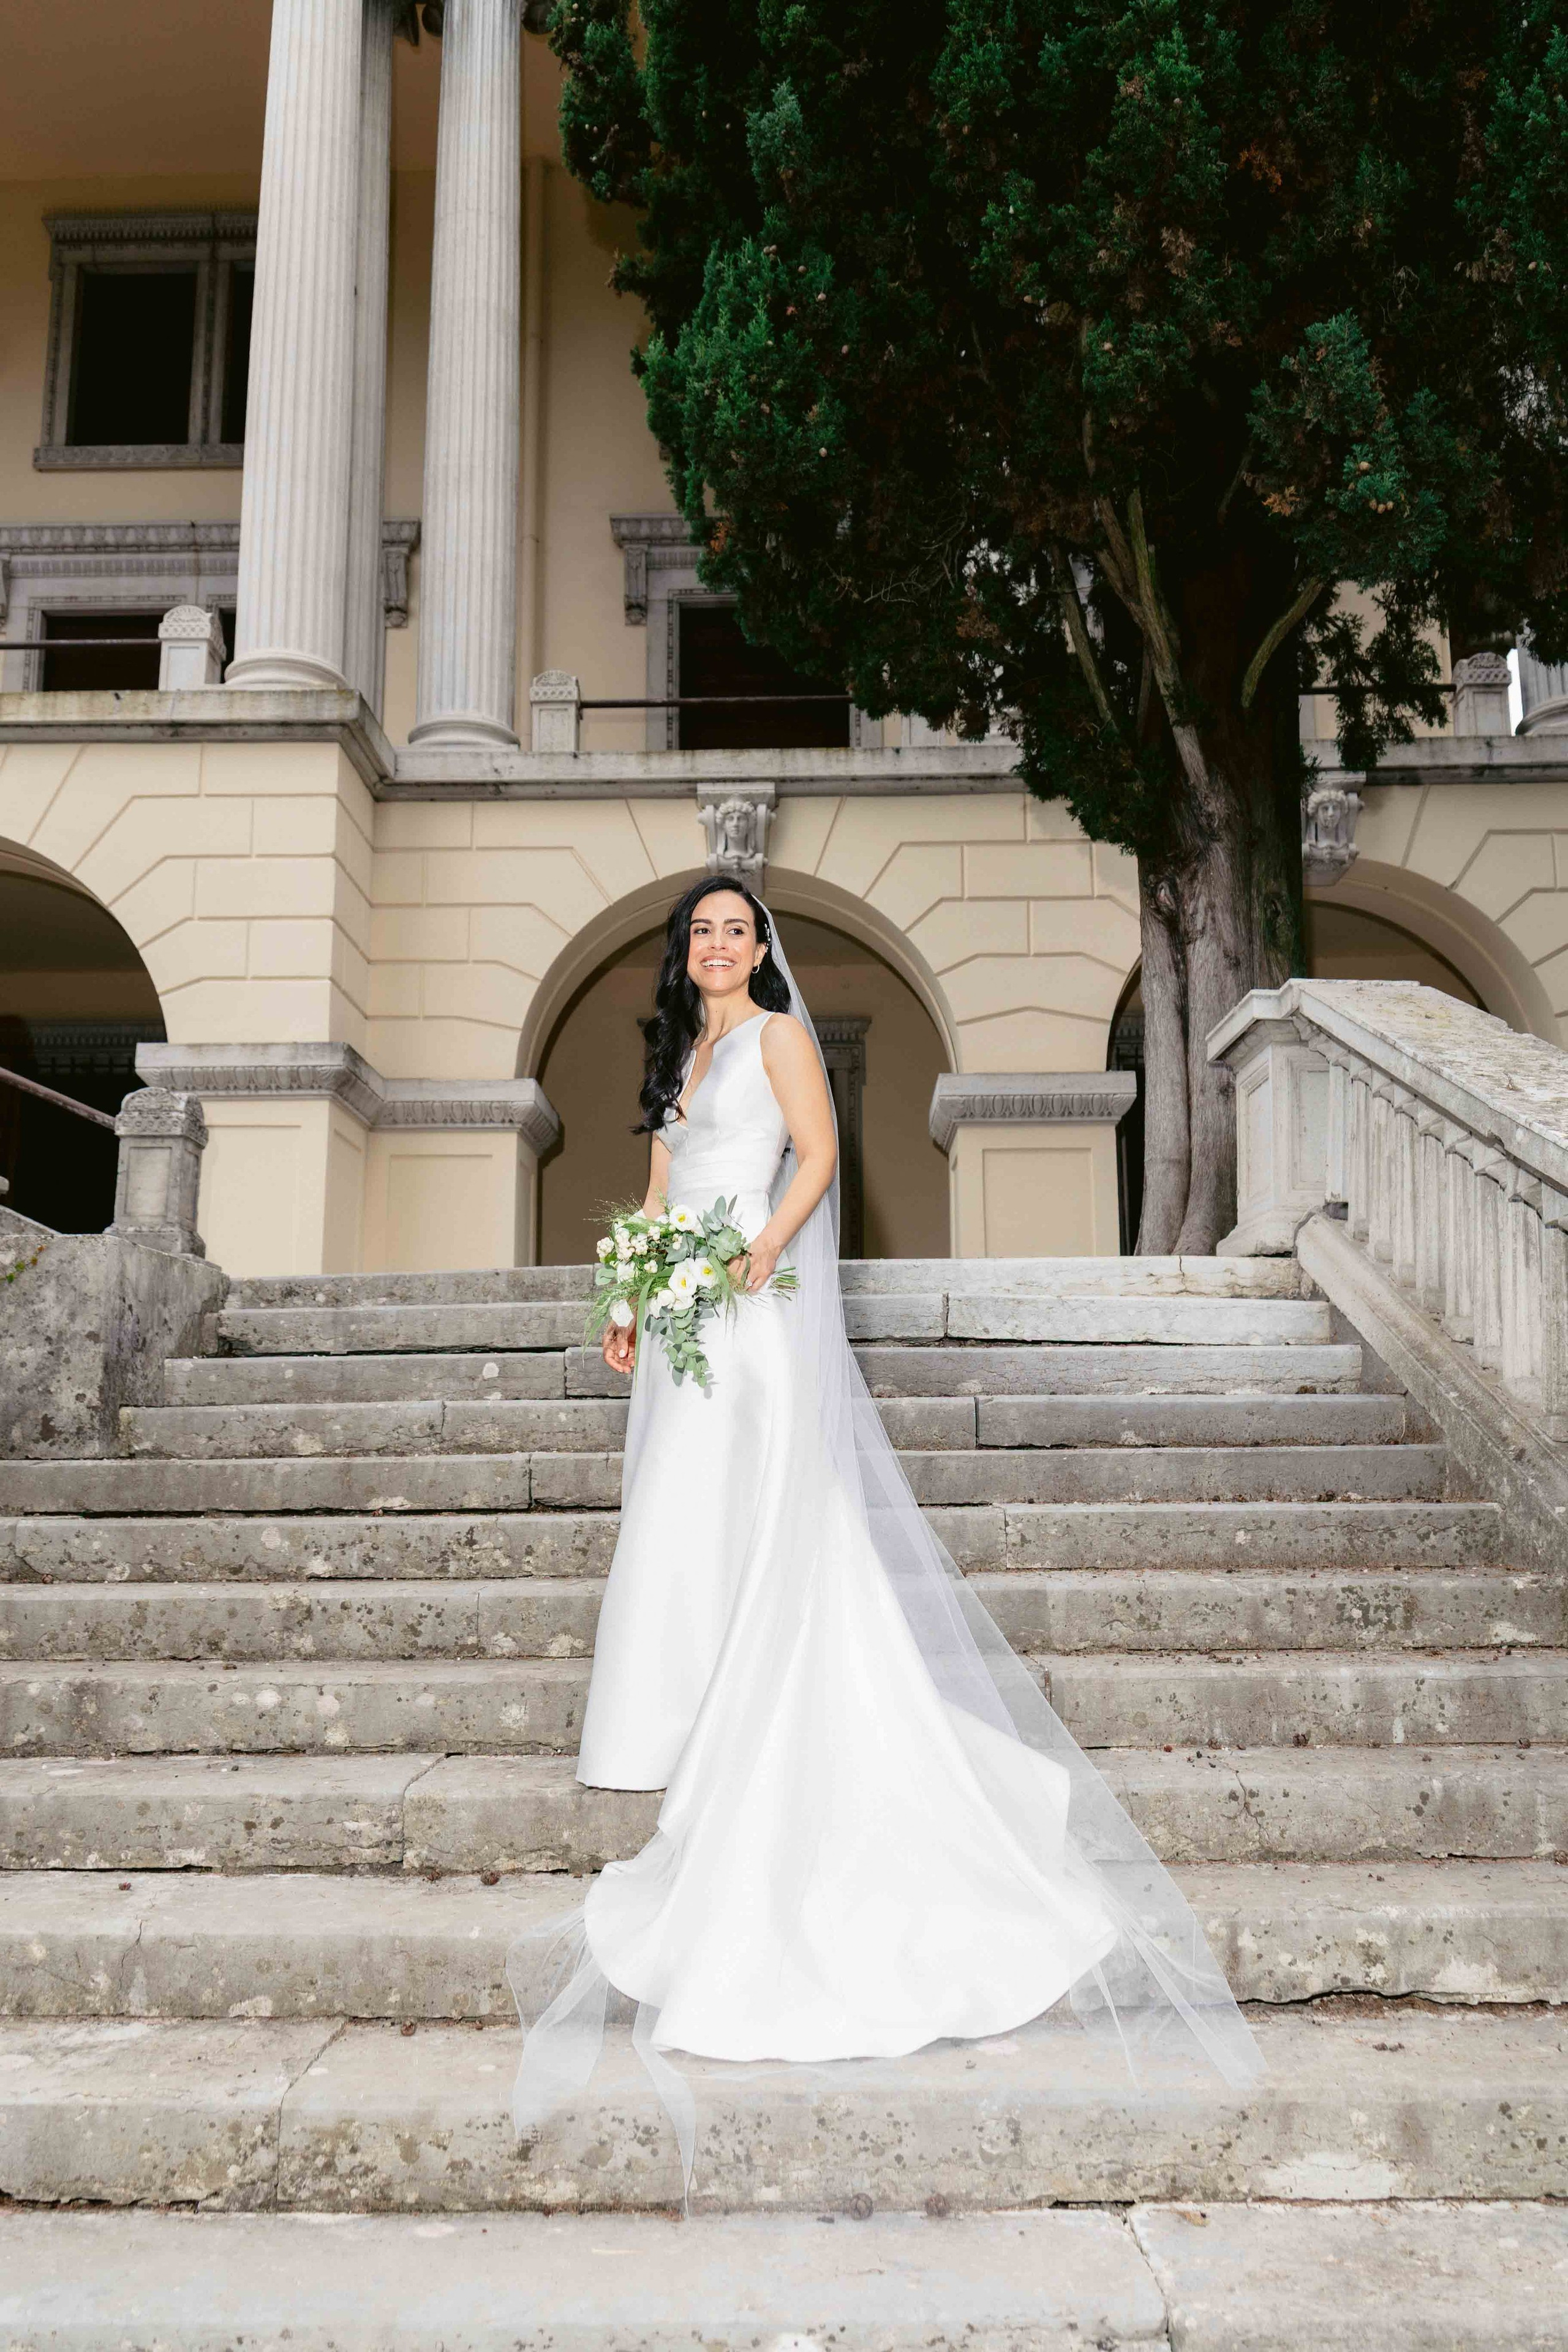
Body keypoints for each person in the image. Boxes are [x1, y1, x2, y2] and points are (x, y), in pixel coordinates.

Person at [510, 873, 1261, 2190]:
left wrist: (758, 1260)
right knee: (695, 1532)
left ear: (759, 949)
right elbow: (659, 1181)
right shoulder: (683, 1053)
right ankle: (713, 1738)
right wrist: (626, 1292)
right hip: (684, 1312)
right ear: (681, 955)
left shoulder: (783, 1034)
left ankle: (785, 1750)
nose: (721, 945)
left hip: (751, 1315)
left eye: (737, 929)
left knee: (767, 1524)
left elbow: (820, 1155)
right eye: (703, 930)